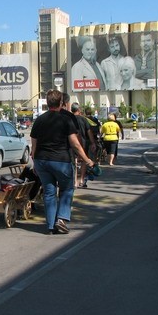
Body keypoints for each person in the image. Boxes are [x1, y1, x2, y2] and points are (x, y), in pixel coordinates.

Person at [30, 89, 95, 235]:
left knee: (49, 192)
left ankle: (51, 226)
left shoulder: (39, 120)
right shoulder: (65, 119)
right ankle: (62, 219)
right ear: (61, 103)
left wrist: (35, 164)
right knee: (66, 189)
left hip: (41, 161)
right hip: (60, 161)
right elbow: (75, 144)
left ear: (47, 103)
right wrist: (87, 160)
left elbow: (33, 145)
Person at [71, 103, 96, 188]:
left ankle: (74, 182)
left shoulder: (69, 119)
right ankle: (81, 180)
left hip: (71, 143)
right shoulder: (83, 119)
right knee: (84, 161)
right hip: (83, 143)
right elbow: (89, 132)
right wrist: (93, 143)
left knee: (74, 161)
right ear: (78, 110)